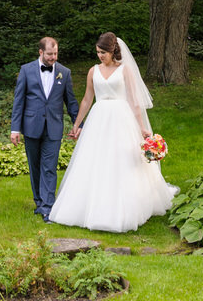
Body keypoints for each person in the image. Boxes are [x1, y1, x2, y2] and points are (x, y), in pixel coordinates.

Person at [48, 31, 178, 232]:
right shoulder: (93, 71)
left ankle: (126, 206)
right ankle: (91, 206)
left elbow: (135, 101)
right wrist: (77, 124)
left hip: (121, 119)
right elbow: (87, 99)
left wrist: (142, 127)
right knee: (95, 161)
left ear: (113, 51)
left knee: (122, 161)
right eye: (98, 52)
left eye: (104, 52)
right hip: (98, 119)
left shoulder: (124, 70)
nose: (100, 56)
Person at [11, 36, 79, 222]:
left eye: (55, 53)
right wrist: (15, 129)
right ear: (40, 52)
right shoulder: (26, 70)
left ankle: (48, 208)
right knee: (34, 166)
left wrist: (78, 123)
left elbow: (71, 101)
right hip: (31, 126)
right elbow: (19, 101)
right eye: (50, 54)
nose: (53, 57)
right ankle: (39, 202)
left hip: (54, 127)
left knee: (49, 167)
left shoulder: (64, 73)